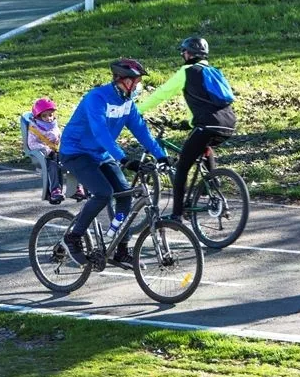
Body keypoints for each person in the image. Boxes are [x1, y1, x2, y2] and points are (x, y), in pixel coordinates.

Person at [58, 59, 170, 268]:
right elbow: (100, 133)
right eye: (136, 81)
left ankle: (121, 249)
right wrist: (123, 159)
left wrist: (161, 156)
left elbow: (141, 130)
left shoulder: (127, 103)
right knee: (103, 193)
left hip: (101, 154)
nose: (138, 86)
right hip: (76, 152)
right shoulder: (96, 98)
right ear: (123, 80)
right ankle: (73, 237)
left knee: (125, 194)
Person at [136, 37, 236, 222]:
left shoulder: (187, 71)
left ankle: (177, 214)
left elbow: (162, 93)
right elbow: (208, 103)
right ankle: (214, 187)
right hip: (227, 123)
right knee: (204, 148)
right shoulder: (214, 72)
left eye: (184, 52)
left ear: (188, 54)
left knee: (182, 167)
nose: (183, 55)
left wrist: (138, 110)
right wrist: (187, 123)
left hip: (206, 125)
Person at [27, 97, 86, 204]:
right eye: (44, 116)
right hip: (44, 156)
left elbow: (60, 138)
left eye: (50, 115)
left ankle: (77, 188)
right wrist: (46, 150)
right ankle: (55, 190)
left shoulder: (53, 125)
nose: (48, 118)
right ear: (38, 117)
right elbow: (32, 144)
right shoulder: (34, 128)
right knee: (53, 166)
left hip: (57, 152)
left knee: (74, 160)